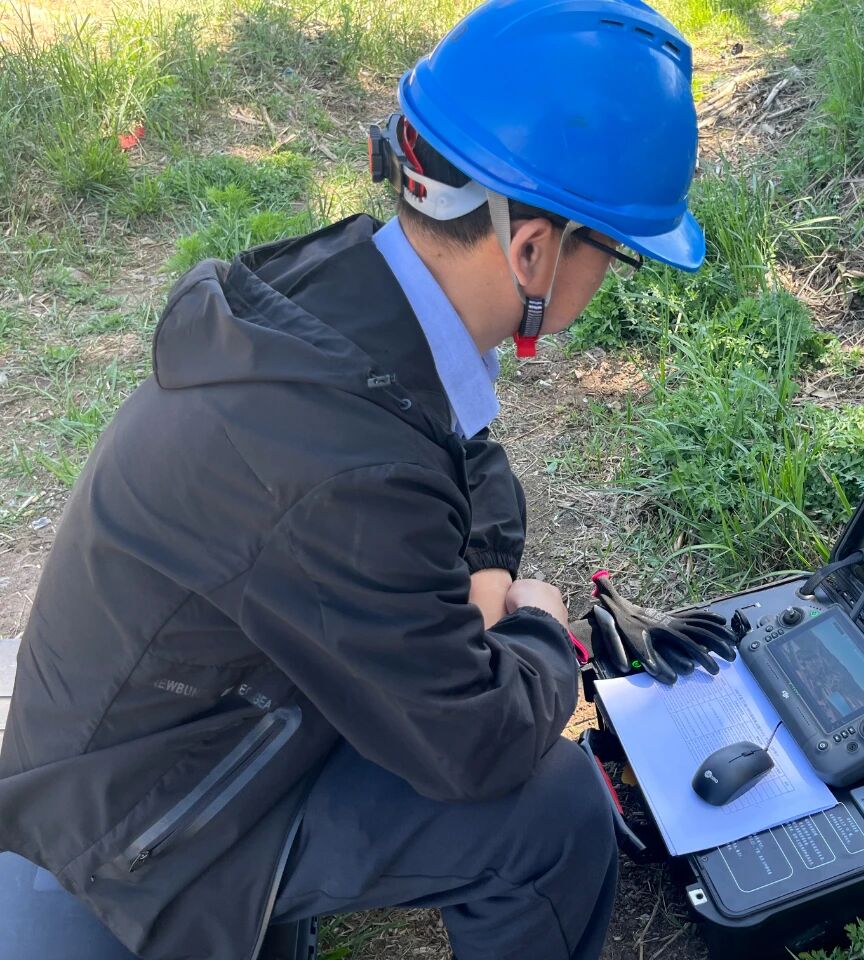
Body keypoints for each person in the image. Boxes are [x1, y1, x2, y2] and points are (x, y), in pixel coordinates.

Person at [0, 1, 702, 958]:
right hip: (141, 829)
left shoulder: (350, 287)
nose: (609, 275)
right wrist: (539, 627)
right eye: (613, 252)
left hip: (162, 733)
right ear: (535, 250)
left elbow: (469, 456)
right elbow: (480, 745)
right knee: (552, 810)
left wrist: (485, 572)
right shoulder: (348, 469)